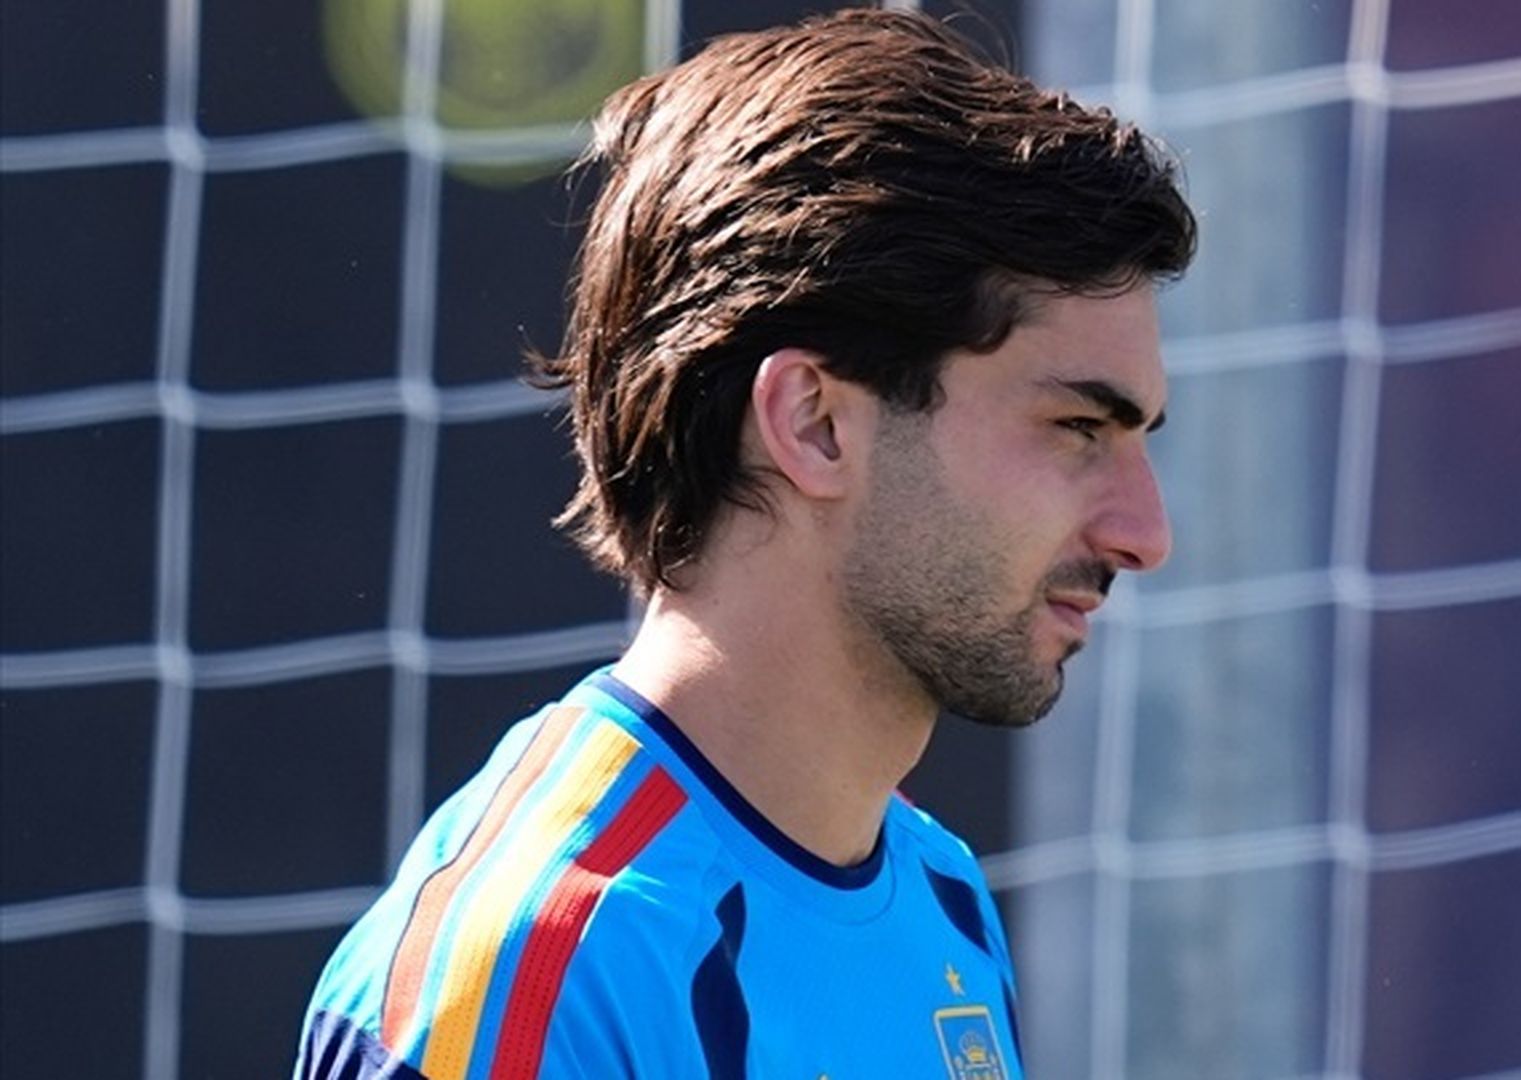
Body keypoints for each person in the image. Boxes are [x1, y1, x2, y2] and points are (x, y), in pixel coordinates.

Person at [295, 8, 1194, 1078]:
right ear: (814, 423)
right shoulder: (538, 971)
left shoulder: (938, 897)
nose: (1146, 535)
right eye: (1077, 429)